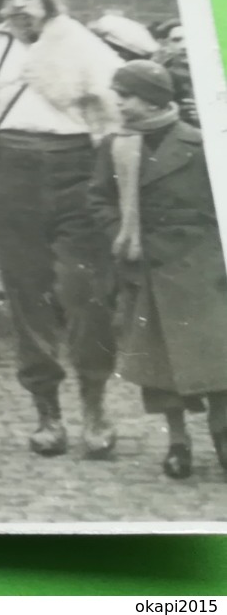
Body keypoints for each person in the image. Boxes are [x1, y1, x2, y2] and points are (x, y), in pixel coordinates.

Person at [0, 0, 122, 458]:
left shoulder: (85, 46)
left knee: (87, 294)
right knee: (27, 295)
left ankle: (95, 406)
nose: (18, 4)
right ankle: (48, 413)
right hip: (10, 171)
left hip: (78, 170)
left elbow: (118, 106)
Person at [90, 59, 227, 481]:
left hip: (202, 267)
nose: (118, 104)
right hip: (144, 267)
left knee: (218, 362)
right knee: (161, 368)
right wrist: (122, 236)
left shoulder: (202, 143)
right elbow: (100, 199)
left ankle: (223, 437)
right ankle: (177, 442)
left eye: (126, 96)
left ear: (152, 100)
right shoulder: (116, 146)